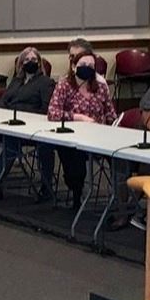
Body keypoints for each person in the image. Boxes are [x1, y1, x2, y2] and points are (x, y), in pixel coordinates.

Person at [0, 47, 55, 199]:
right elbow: (3, 101)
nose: (30, 63)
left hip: (30, 128)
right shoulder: (16, 81)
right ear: (21, 63)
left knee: (11, 143)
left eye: (33, 60)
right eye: (26, 60)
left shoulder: (46, 82)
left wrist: (19, 112)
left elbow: (46, 110)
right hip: (7, 122)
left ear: (39, 63)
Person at [43, 50, 114, 206]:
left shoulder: (101, 87)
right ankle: (76, 195)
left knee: (120, 159)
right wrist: (78, 117)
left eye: (91, 65)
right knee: (75, 164)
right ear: (74, 67)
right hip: (71, 138)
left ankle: (118, 200)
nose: (87, 68)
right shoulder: (65, 85)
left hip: (99, 137)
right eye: (83, 65)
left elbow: (110, 114)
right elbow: (52, 113)